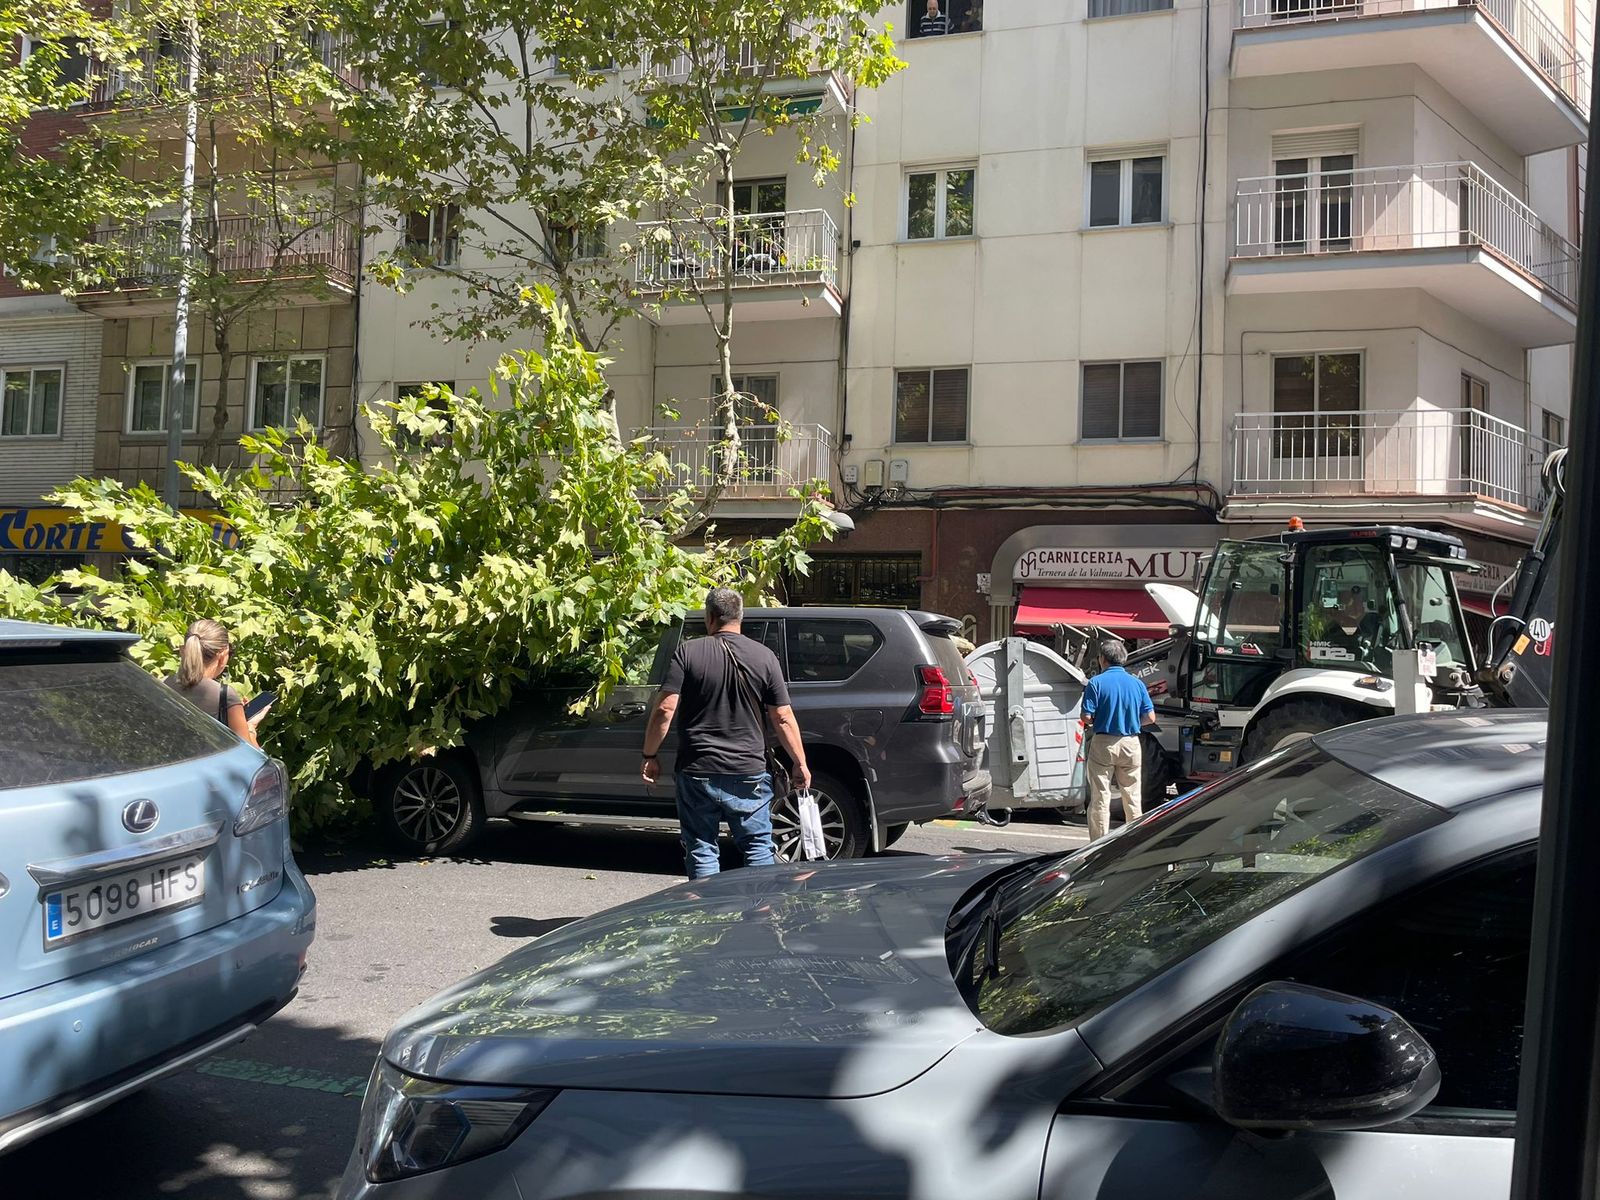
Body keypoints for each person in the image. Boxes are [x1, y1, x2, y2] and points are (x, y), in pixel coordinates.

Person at [641, 588, 811, 879]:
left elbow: (665, 709)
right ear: (740, 617)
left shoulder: (688, 652)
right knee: (757, 846)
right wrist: (800, 763)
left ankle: (710, 918)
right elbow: (782, 716)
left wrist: (650, 755)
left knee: (701, 847)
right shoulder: (765, 657)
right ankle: (760, 915)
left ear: (710, 617)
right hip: (749, 770)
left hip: (698, 769)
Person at [1080, 638, 1156, 841]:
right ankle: (1133, 842)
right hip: (1131, 742)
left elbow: (1086, 716)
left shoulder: (1096, 683)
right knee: (1132, 796)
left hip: (1103, 742)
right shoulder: (1137, 683)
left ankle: (1098, 843)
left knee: (1100, 796)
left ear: (1102, 659)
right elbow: (1150, 717)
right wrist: (1132, 724)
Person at [164, 618, 267, 749]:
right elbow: (250, 756)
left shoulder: (161, 683)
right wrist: (250, 728)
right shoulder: (224, 695)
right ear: (223, 655)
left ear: (183, 650)